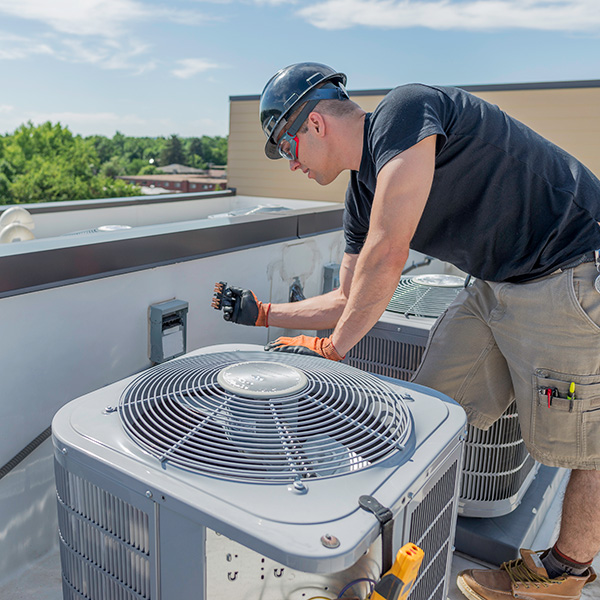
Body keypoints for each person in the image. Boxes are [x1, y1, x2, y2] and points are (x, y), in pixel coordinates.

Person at [216, 62, 600, 599]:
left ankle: (565, 574)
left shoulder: (403, 110)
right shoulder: (360, 194)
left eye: (286, 147)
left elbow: (388, 251)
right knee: (429, 409)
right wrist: (262, 313)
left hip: (569, 266)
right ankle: (392, 552)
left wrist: (332, 348)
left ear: (315, 125)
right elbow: (350, 296)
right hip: (495, 283)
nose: (289, 165)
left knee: (584, 447)